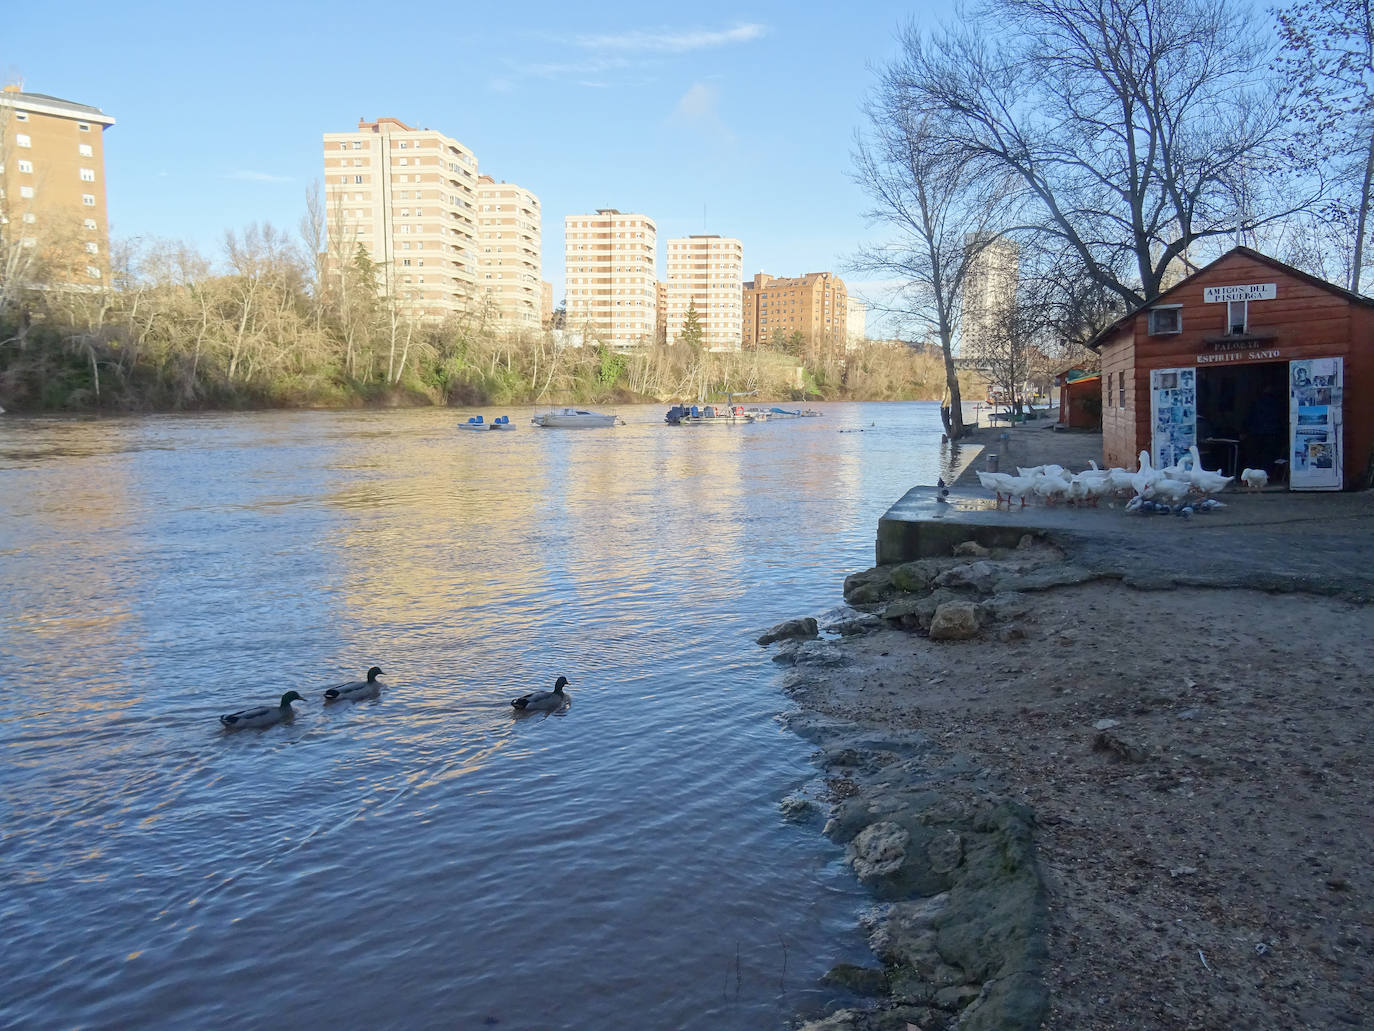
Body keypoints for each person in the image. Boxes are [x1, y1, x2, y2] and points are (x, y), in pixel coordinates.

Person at [1244, 384, 1286, 473]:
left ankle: (1253, 475)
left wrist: (1245, 430)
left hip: (1256, 432)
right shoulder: (1277, 402)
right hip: (1271, 432)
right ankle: (1266, 474)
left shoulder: (1256, 402)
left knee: (1255, 455)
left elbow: (1249, 417)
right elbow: (1281, 418)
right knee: (1268, 456)